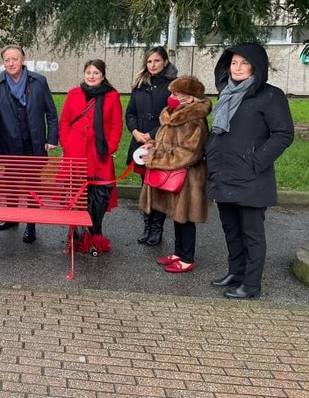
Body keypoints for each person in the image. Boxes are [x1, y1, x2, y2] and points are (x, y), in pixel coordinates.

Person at [206, 43, 294, 299]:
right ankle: (236, 272)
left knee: (252, 233)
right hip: (224, 174)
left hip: (251, 177)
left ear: (256, 66)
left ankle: (251, 285)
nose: (238, 68)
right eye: (234, 63)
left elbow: (283, 134)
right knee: (230, 228)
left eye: (244, 63)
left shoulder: (270, 95)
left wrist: (256, 161)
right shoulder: (226, 93)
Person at [0, 44, 58, 243]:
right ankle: (12, 218)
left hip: (34, 142)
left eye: (14, 59)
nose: (11, 63)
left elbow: (51, 112)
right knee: (11, 183)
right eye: (7, 60)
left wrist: (52, 138)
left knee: (33, 184)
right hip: (9, 141)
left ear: (23, 60)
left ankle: (31, 224)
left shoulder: (39, 81)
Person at [139, 76, 211, 273]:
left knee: (185, 218)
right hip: (174, 174)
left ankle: (187, 258)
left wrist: (155, 159)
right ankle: (179, 253)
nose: (171, 97)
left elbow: (189, 153)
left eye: (175, 94)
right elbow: (166, 142)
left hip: (188, 178)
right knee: (177, 216)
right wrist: (152, 145)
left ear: (189, 98)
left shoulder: (194, 121)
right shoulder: (173, 114)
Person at [59, 59, 122, 246]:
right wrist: (66, 143)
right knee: (76, 191)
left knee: (100, 193)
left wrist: (111, 147)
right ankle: (77, 232)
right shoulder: (73, 94)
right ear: (84, 74)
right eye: (88, 72)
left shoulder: (111, 96)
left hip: (99, 152)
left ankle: (95, 231)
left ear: (102, 75)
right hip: (76, 150)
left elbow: (116, 125)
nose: (91, 76)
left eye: (95, 73)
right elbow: (65, 121)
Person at [125, 47, 178, 246]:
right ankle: (147, 226)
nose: (152, 65)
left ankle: (157, 229)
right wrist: (136, 132)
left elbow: (173, 116)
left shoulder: (173, 85)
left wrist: (152, 134)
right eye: (149, 61)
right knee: (145, 186)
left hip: (161, 141)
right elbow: (130, 112)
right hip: (140, 141)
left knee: (159, 187)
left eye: (156, 61)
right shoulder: (140, 84)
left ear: (165, 62)